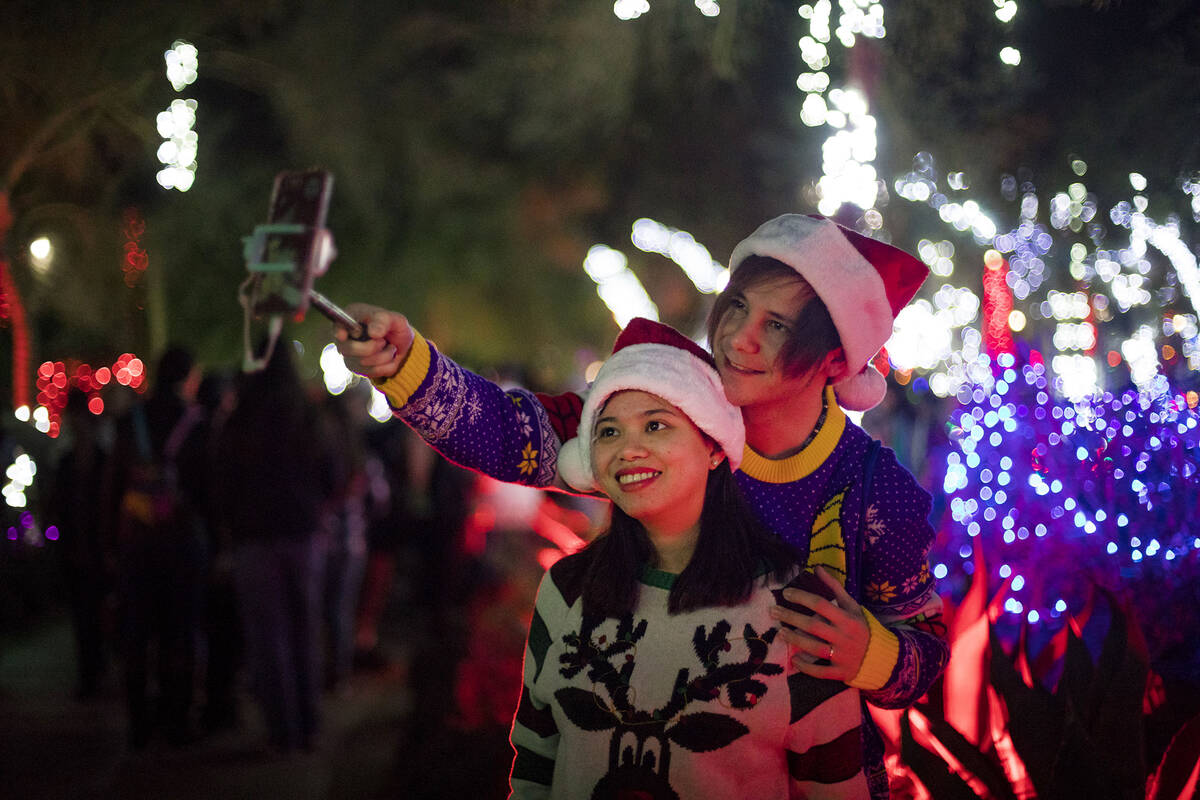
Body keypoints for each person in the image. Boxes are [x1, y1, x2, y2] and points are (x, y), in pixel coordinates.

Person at [335, 214, 949, 796]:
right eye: (737, 304)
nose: (739, 337)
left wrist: (872, 653)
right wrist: (406, 367)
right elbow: (518, 435)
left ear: (836, 359)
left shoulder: (875, 491)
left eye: (779, 325)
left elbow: (925, 653)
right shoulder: (667, 406)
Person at [511, 318, 876, 798]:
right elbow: (536, 763)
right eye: (608, 432)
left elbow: (836, 786)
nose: (628, 449)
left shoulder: (794, 603)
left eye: (656, 425)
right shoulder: (566, 588)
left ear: (714, 448)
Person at [213, 343, 337, 753]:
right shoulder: (307, 414)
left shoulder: (240, 419)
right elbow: (333, 472)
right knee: (305, 631)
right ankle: (310, 726)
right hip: (302, 536)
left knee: (269, 639)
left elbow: (223, 483)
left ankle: (282, 731)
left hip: (254, 539)